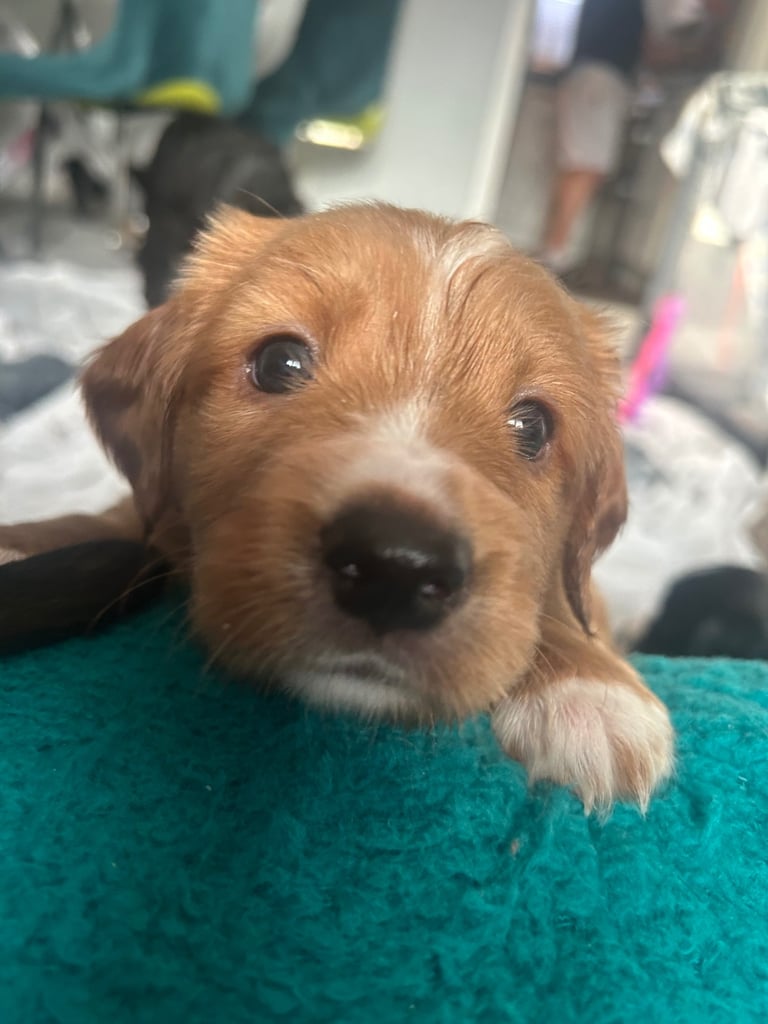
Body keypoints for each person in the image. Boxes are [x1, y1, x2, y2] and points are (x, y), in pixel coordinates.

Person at [538, 0, 705, 274]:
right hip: (599, 81)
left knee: (578, 166)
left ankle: (552, 250)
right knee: (586, 167)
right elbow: (667, 35)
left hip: (588, 77)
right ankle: (554, 253)